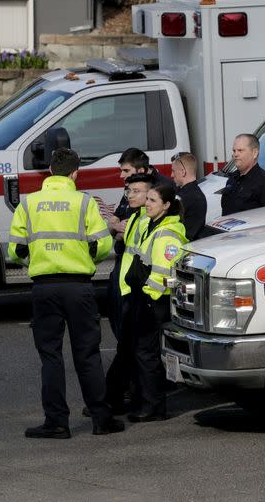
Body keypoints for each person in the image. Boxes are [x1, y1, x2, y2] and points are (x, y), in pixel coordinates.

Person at [8, 148, 124, 438]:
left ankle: (57, 422)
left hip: (44, 286)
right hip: (78, 285)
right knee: (87, 354)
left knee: (51, 355)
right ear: (75, 173)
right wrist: (84, 262)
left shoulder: (29, 203)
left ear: (49, 170)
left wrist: (38, 262)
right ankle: (101, 419)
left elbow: (16, 250)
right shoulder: (84, 203)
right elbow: (103, 246)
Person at [120, 183, 188, 422]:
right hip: (145, 298)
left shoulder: (168, 234)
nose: (147, 204)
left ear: (166, 206)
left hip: (154, 301)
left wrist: (149, 299)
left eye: (153, 201)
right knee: (143, 353)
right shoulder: (151, 225)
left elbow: (162, 273)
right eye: (147, 199)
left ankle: (153, 407)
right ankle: (149, 403)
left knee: (147, 354)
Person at [107, 148, 173, 339]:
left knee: (142, 344)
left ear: (142, 171)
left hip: (143, 284)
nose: (121, 176)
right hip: (125, 270)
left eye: (126, 171)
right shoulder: (133, 188)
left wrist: (148, 298)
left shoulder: (162, 188)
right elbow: (116, 222)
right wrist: (117, 226)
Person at [104, 173, 153, 413]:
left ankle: (115, 398)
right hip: (126, 291)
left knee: (131, 351)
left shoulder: (146, 220)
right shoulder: (134, 216)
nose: (130, 195)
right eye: (129, 191)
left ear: (149, 195)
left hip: (137, 294)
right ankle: (125, 398)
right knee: (128, 350)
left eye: (136, 192)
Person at [221, 134, 265, 216]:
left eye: (240, 150)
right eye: (234, 151)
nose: (235, 154)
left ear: (254, 153)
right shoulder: (233, 178)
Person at [171, 152, 207, 241]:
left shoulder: (195, 198)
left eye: (173, 171)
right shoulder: (184, 193)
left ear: (183, 172)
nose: (171, 175)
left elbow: (187, 235)